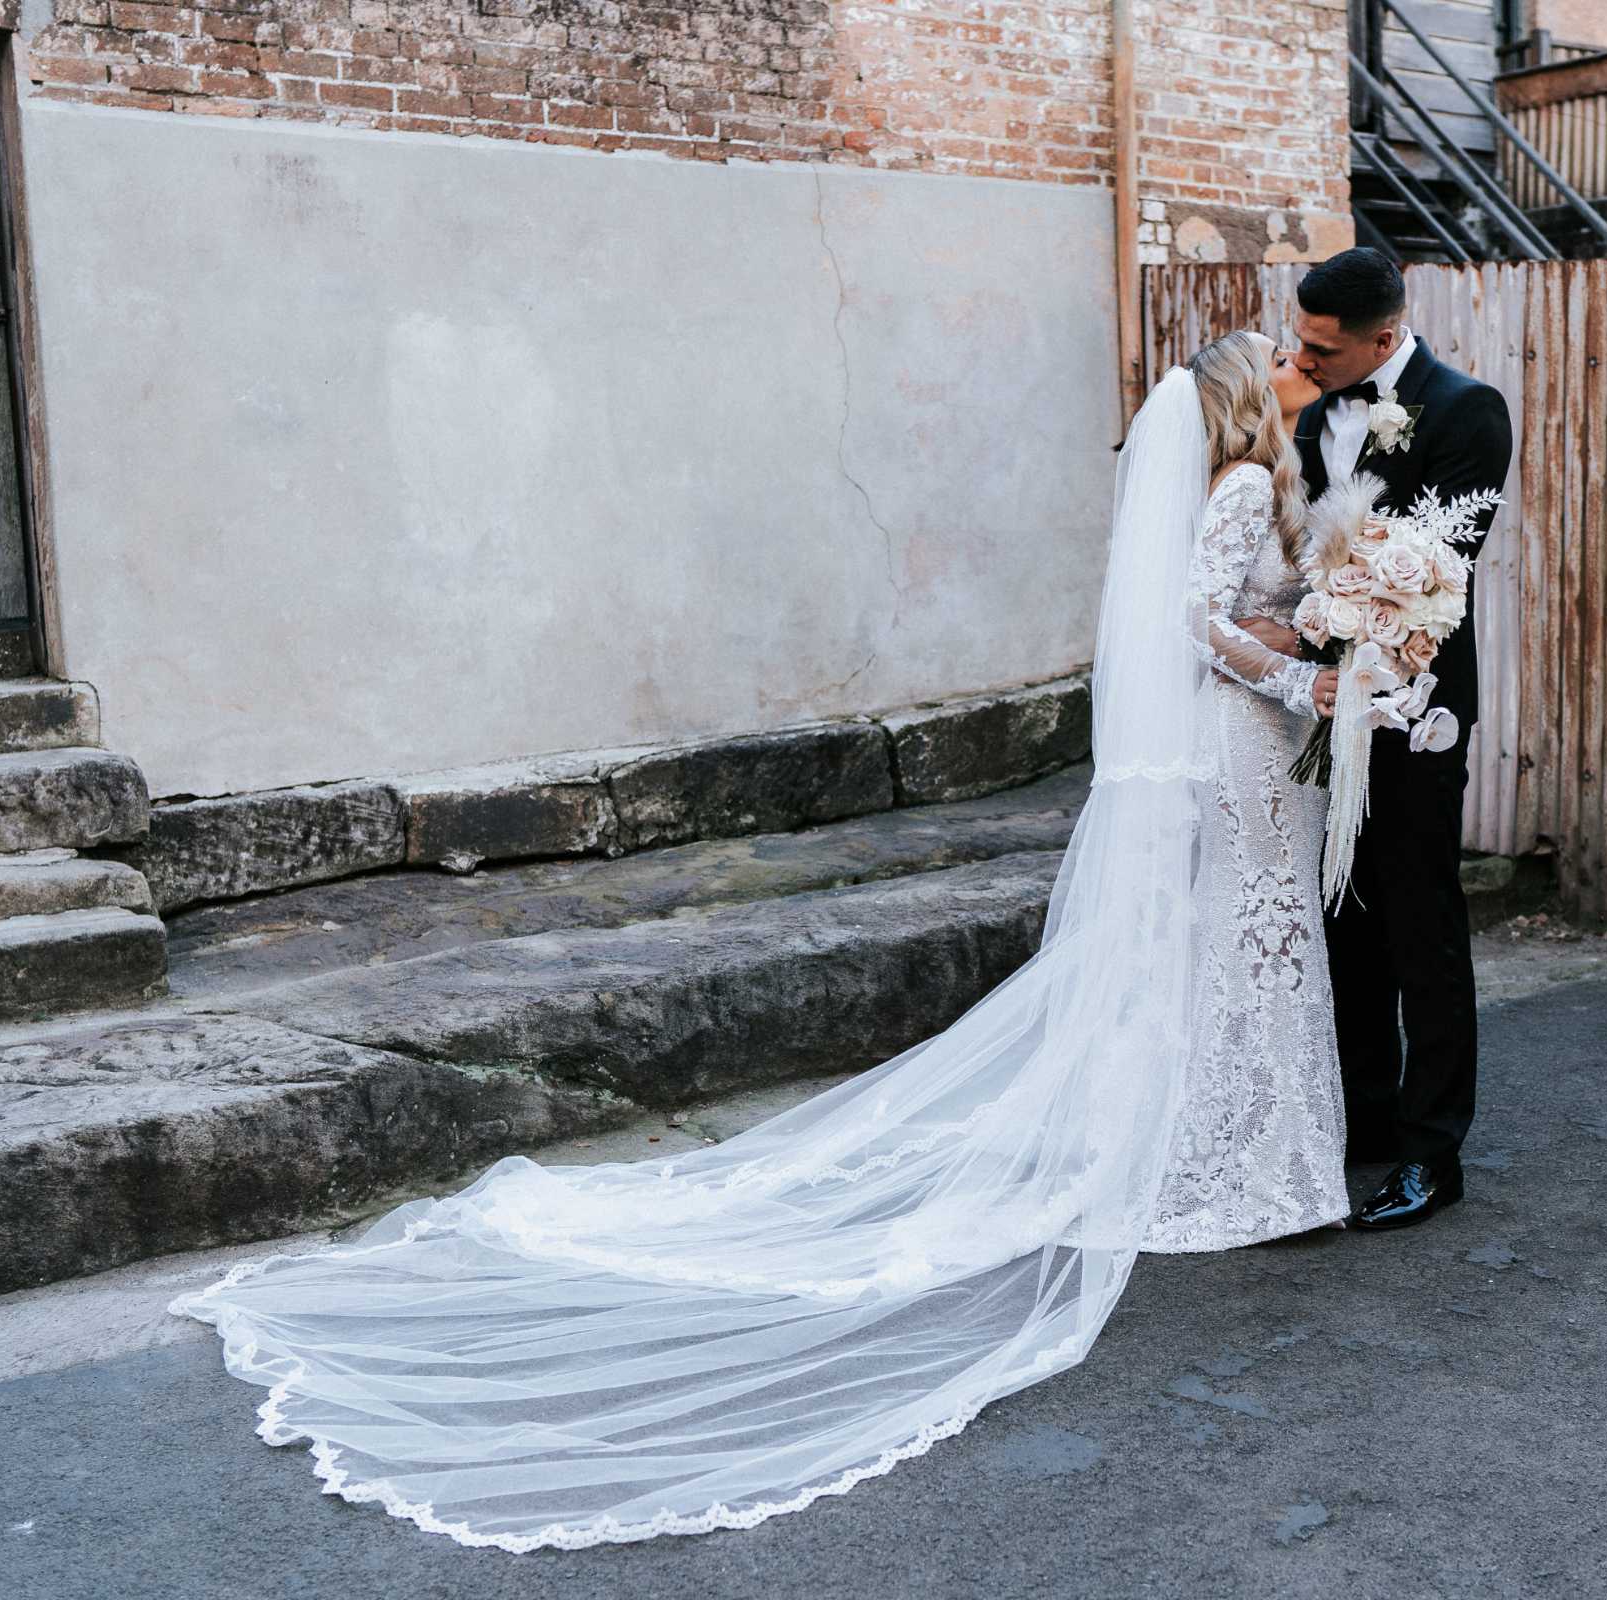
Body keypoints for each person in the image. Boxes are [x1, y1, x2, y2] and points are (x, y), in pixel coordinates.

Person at [172, 333, 1349, 1553]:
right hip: (1245, 740)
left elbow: (1234, 610)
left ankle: (1247, 1150)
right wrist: (1298, 681)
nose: (1286, 369)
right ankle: (1249, 1160)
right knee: (1251, 954)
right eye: (1274, 361)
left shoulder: (1258, 488)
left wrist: (1324, 623)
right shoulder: (1244, 485)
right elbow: (1201, 621)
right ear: (1237, 400)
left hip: (1247, 750)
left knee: (1243, 959)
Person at [1237, 247, 1514, 1231]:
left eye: (1322, 348)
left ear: (1385, 339)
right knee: (1341, 913)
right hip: (1317, 699)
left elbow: (1432, 572)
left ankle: (1434, 1153)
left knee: (1418, 918)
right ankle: (1364, 1112)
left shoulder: (1468, 410)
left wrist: (1310, 621)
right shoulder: (1315, 412)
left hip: (1417, 707)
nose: (1304, 362)